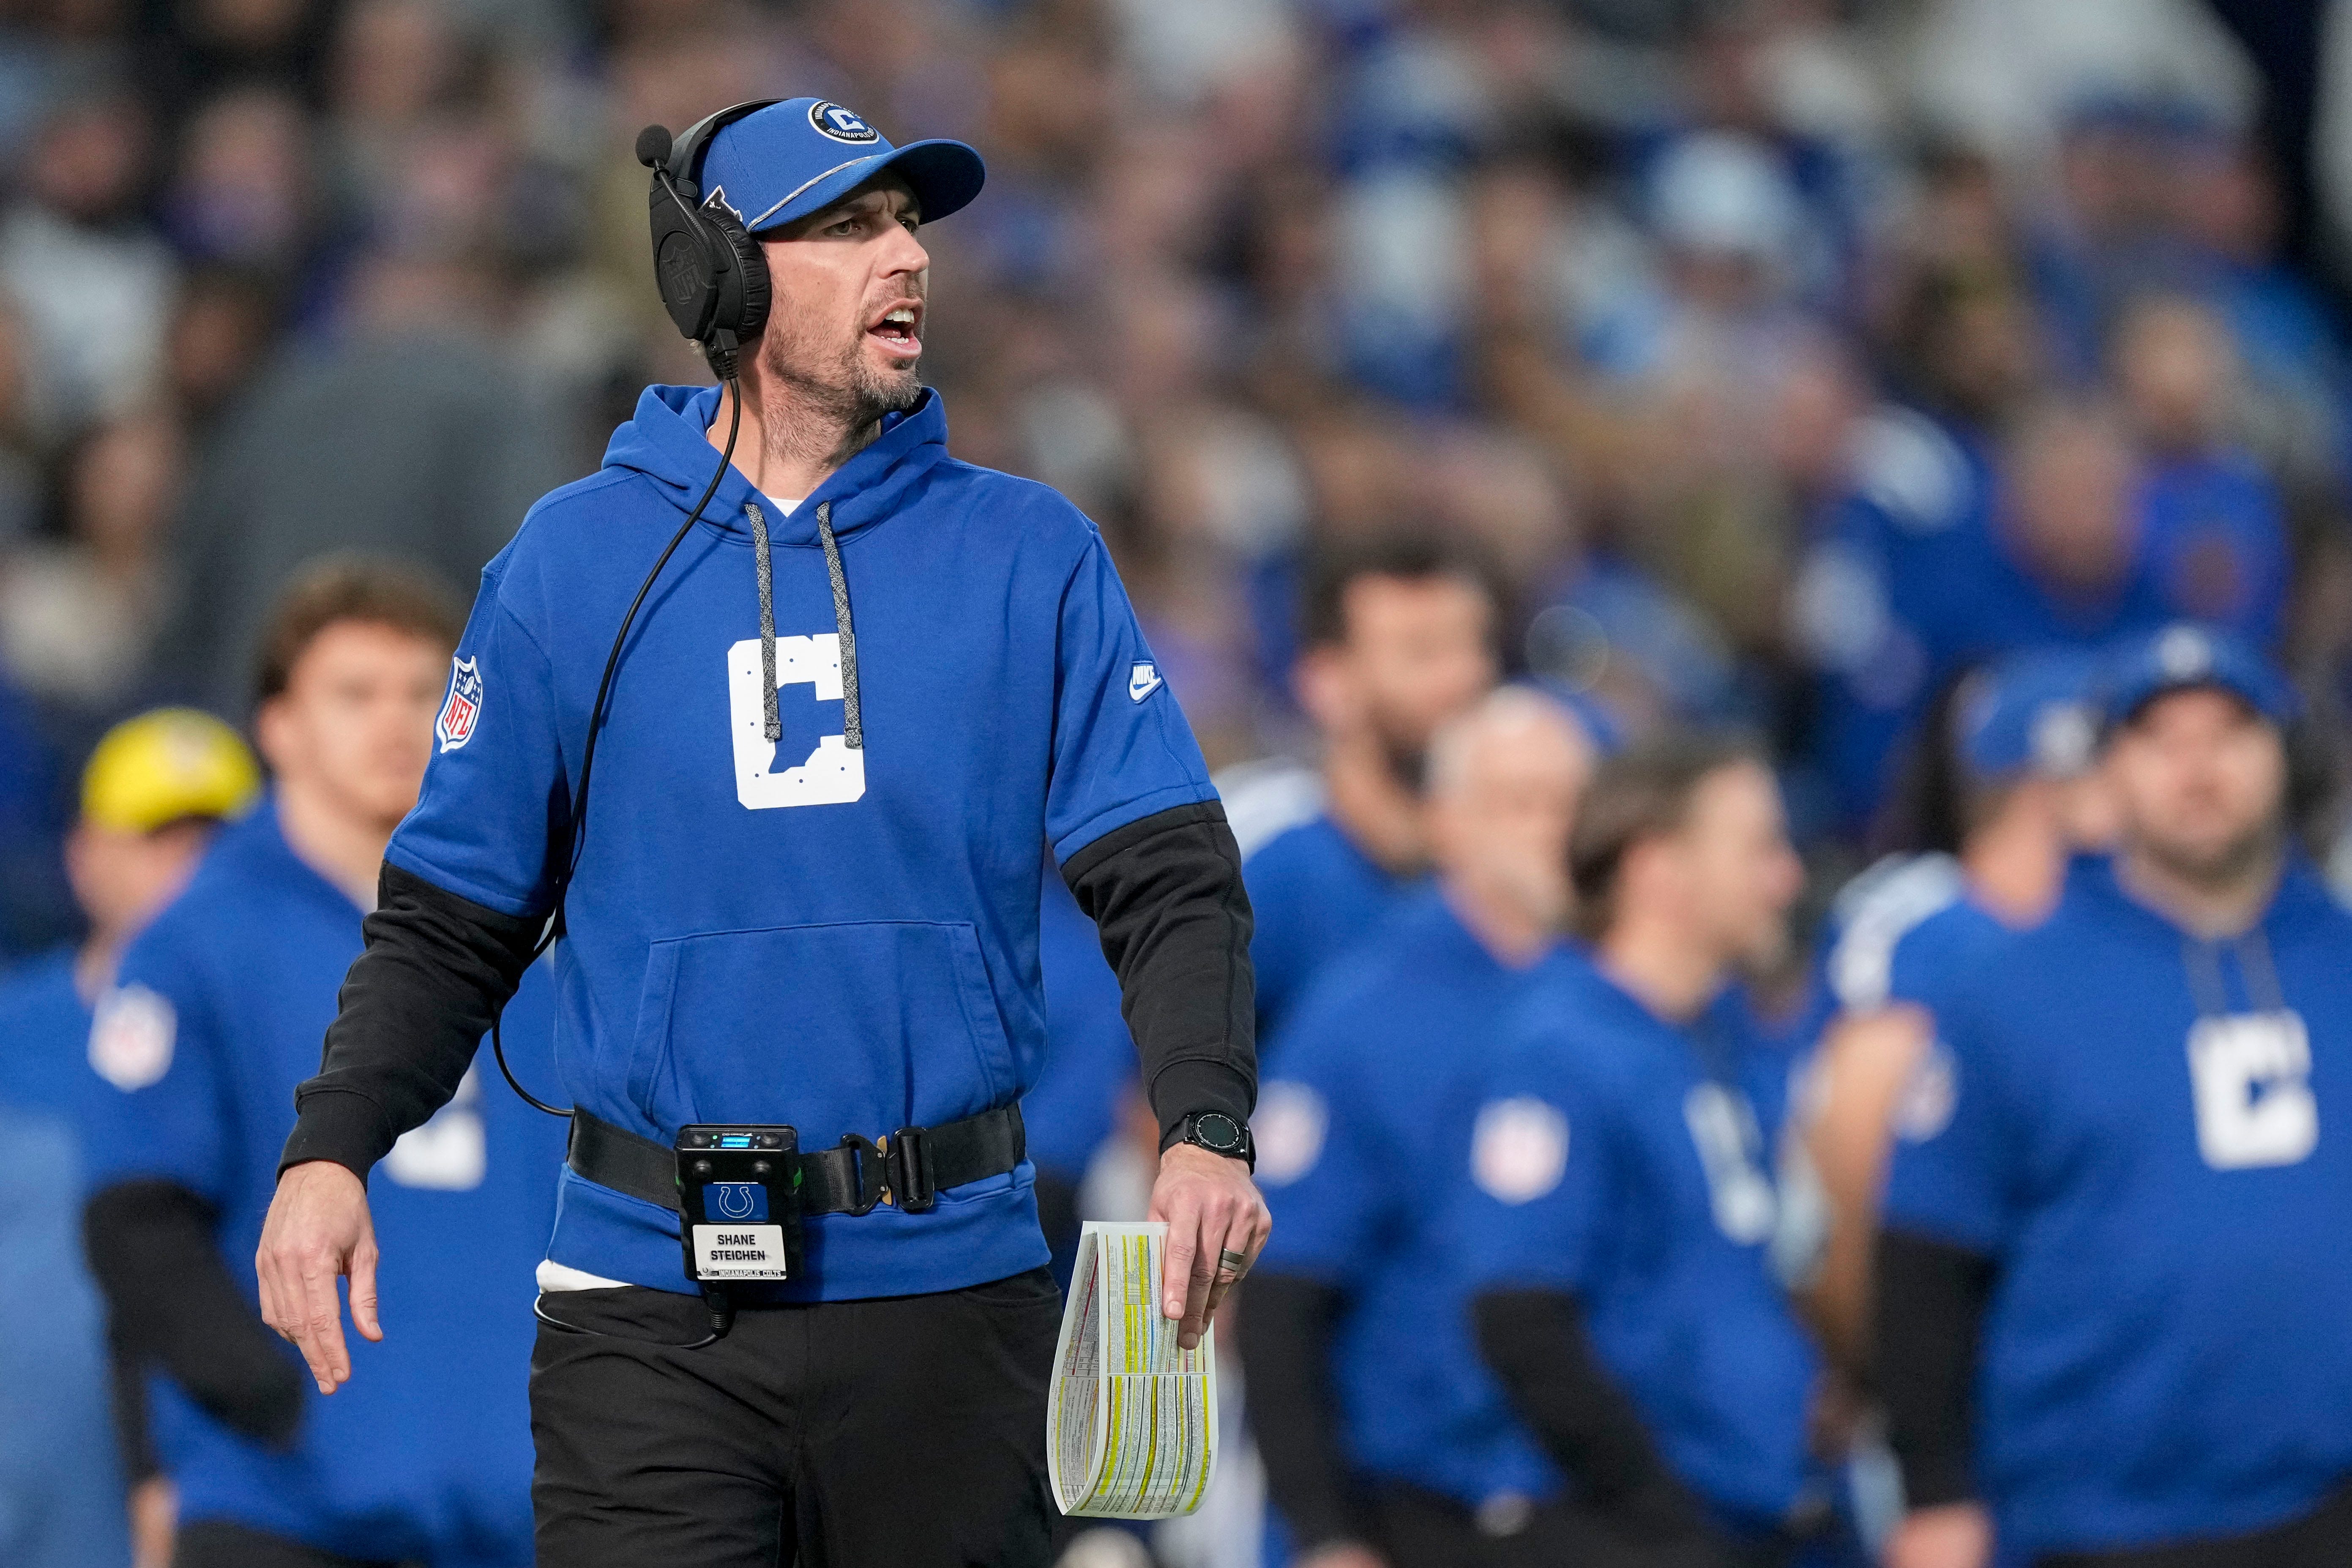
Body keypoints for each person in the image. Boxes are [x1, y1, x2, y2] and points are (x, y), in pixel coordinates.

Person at [252, 98, 1267, 1565]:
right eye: (849, 225)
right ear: (722, 279)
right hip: (647, 1311)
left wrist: (1204, 1125)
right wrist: (331, 1147)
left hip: (952, 1294)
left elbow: (1170, 878)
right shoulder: (568, 563)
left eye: (909, 221)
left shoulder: (1029, 551)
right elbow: (451, 917)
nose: (904, 257)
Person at [78, 561, 564, 1568]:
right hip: (292, 1512)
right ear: (279, 727)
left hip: (526, 1503)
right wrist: (272, 1402)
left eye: (423, 692)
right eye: (354, 694)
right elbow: (137, 1217)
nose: (395, 723)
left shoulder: (550, 927)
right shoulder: (198, 937)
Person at [1878, 624, 2352, 1568]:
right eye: (2159, 739)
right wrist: (1934, 1492)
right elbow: (1925, 1254)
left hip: (2325, 1500)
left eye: (2227, 733)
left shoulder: (2338, 959)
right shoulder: (2010, 988)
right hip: (2099, 1518)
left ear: (2282, 755)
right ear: (2105, 773)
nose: (2197, 768)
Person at [1457, 735, 1830, 1564]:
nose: (1786, 879)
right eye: (1758, 849)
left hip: (1752, 1510)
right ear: (1658, 869)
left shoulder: (1721, 1036)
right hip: (1625, 1529)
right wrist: (1663, 1523)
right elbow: (1520, 1315)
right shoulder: (1561, 1049)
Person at [1244, 688, 1592, 1568]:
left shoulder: (1636, 999)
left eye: (1573, 802)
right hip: (1431, 1500)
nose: (1553, 828)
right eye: (1519, 802)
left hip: (1608, 1498)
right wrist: (1324, 1531)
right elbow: (1284, 1297)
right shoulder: (1362, 1015)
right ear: (1446, 822)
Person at [0, 708, 261, 1568]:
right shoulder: (11, 1036)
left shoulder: (308, 1049)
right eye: (159, 837)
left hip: (229, 1493)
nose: (190, 869)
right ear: (85, 856)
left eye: (215, 840)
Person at [1803, 649, 2109, 1365]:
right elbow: (1853, 1149)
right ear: (2054, 790)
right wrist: (1885, 1372)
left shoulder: (2093, 940)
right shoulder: (1926, 928)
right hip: (1933, 1356)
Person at [1234, 534, 1500, 1043]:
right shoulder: (1261, 864)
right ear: (1328, 684)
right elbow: (1148, 1098)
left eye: (1477, 645)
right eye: (1424, 652)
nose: (1465, 677)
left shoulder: (1519, 851)